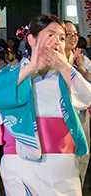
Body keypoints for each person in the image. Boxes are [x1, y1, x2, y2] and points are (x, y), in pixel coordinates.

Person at [0, 14, 91, 195]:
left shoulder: (65, 74)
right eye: (50, 35)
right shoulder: (13, 73)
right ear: (31, 40)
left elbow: (85, 98)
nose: (57, 41)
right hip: (21, 162)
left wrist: (65, 67)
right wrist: (32, 67)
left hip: (63, 164)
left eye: (62, 37)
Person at [64, 20, 91, 187]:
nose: (73, 37)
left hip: (81, 114)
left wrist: (81, 69)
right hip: (62, 115)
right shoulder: (54, 60)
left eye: (75, 34)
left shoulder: (82, 58)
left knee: (82, 153)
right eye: (68, 34)